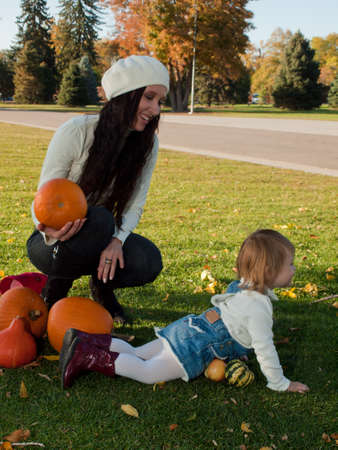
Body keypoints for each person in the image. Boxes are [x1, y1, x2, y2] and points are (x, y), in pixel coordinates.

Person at [59, 229, 310, 394]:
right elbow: (265, 348)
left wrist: (237, 351)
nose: (294, 269)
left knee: (139, 352)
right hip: (196, 345)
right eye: (289, 264)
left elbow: (234, 322)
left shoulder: (244, 286)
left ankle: (85, 339)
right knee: (147, 372)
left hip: (189, 327)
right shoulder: (259, 309)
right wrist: (280, 383)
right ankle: (86, 356)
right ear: (267, 271)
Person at [26, 55, 170, 324]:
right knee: (101, 218)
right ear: (125, 95)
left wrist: (117, 241)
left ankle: (102, 288)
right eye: (149, 97)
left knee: (148, 260)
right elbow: (44, 195)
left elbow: (134, 203)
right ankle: (54, 296)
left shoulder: (147, 145)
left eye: (160, 101)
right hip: (51, 241)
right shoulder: (77, 132)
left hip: (102, 236)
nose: (156, 109)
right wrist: (49, 229)